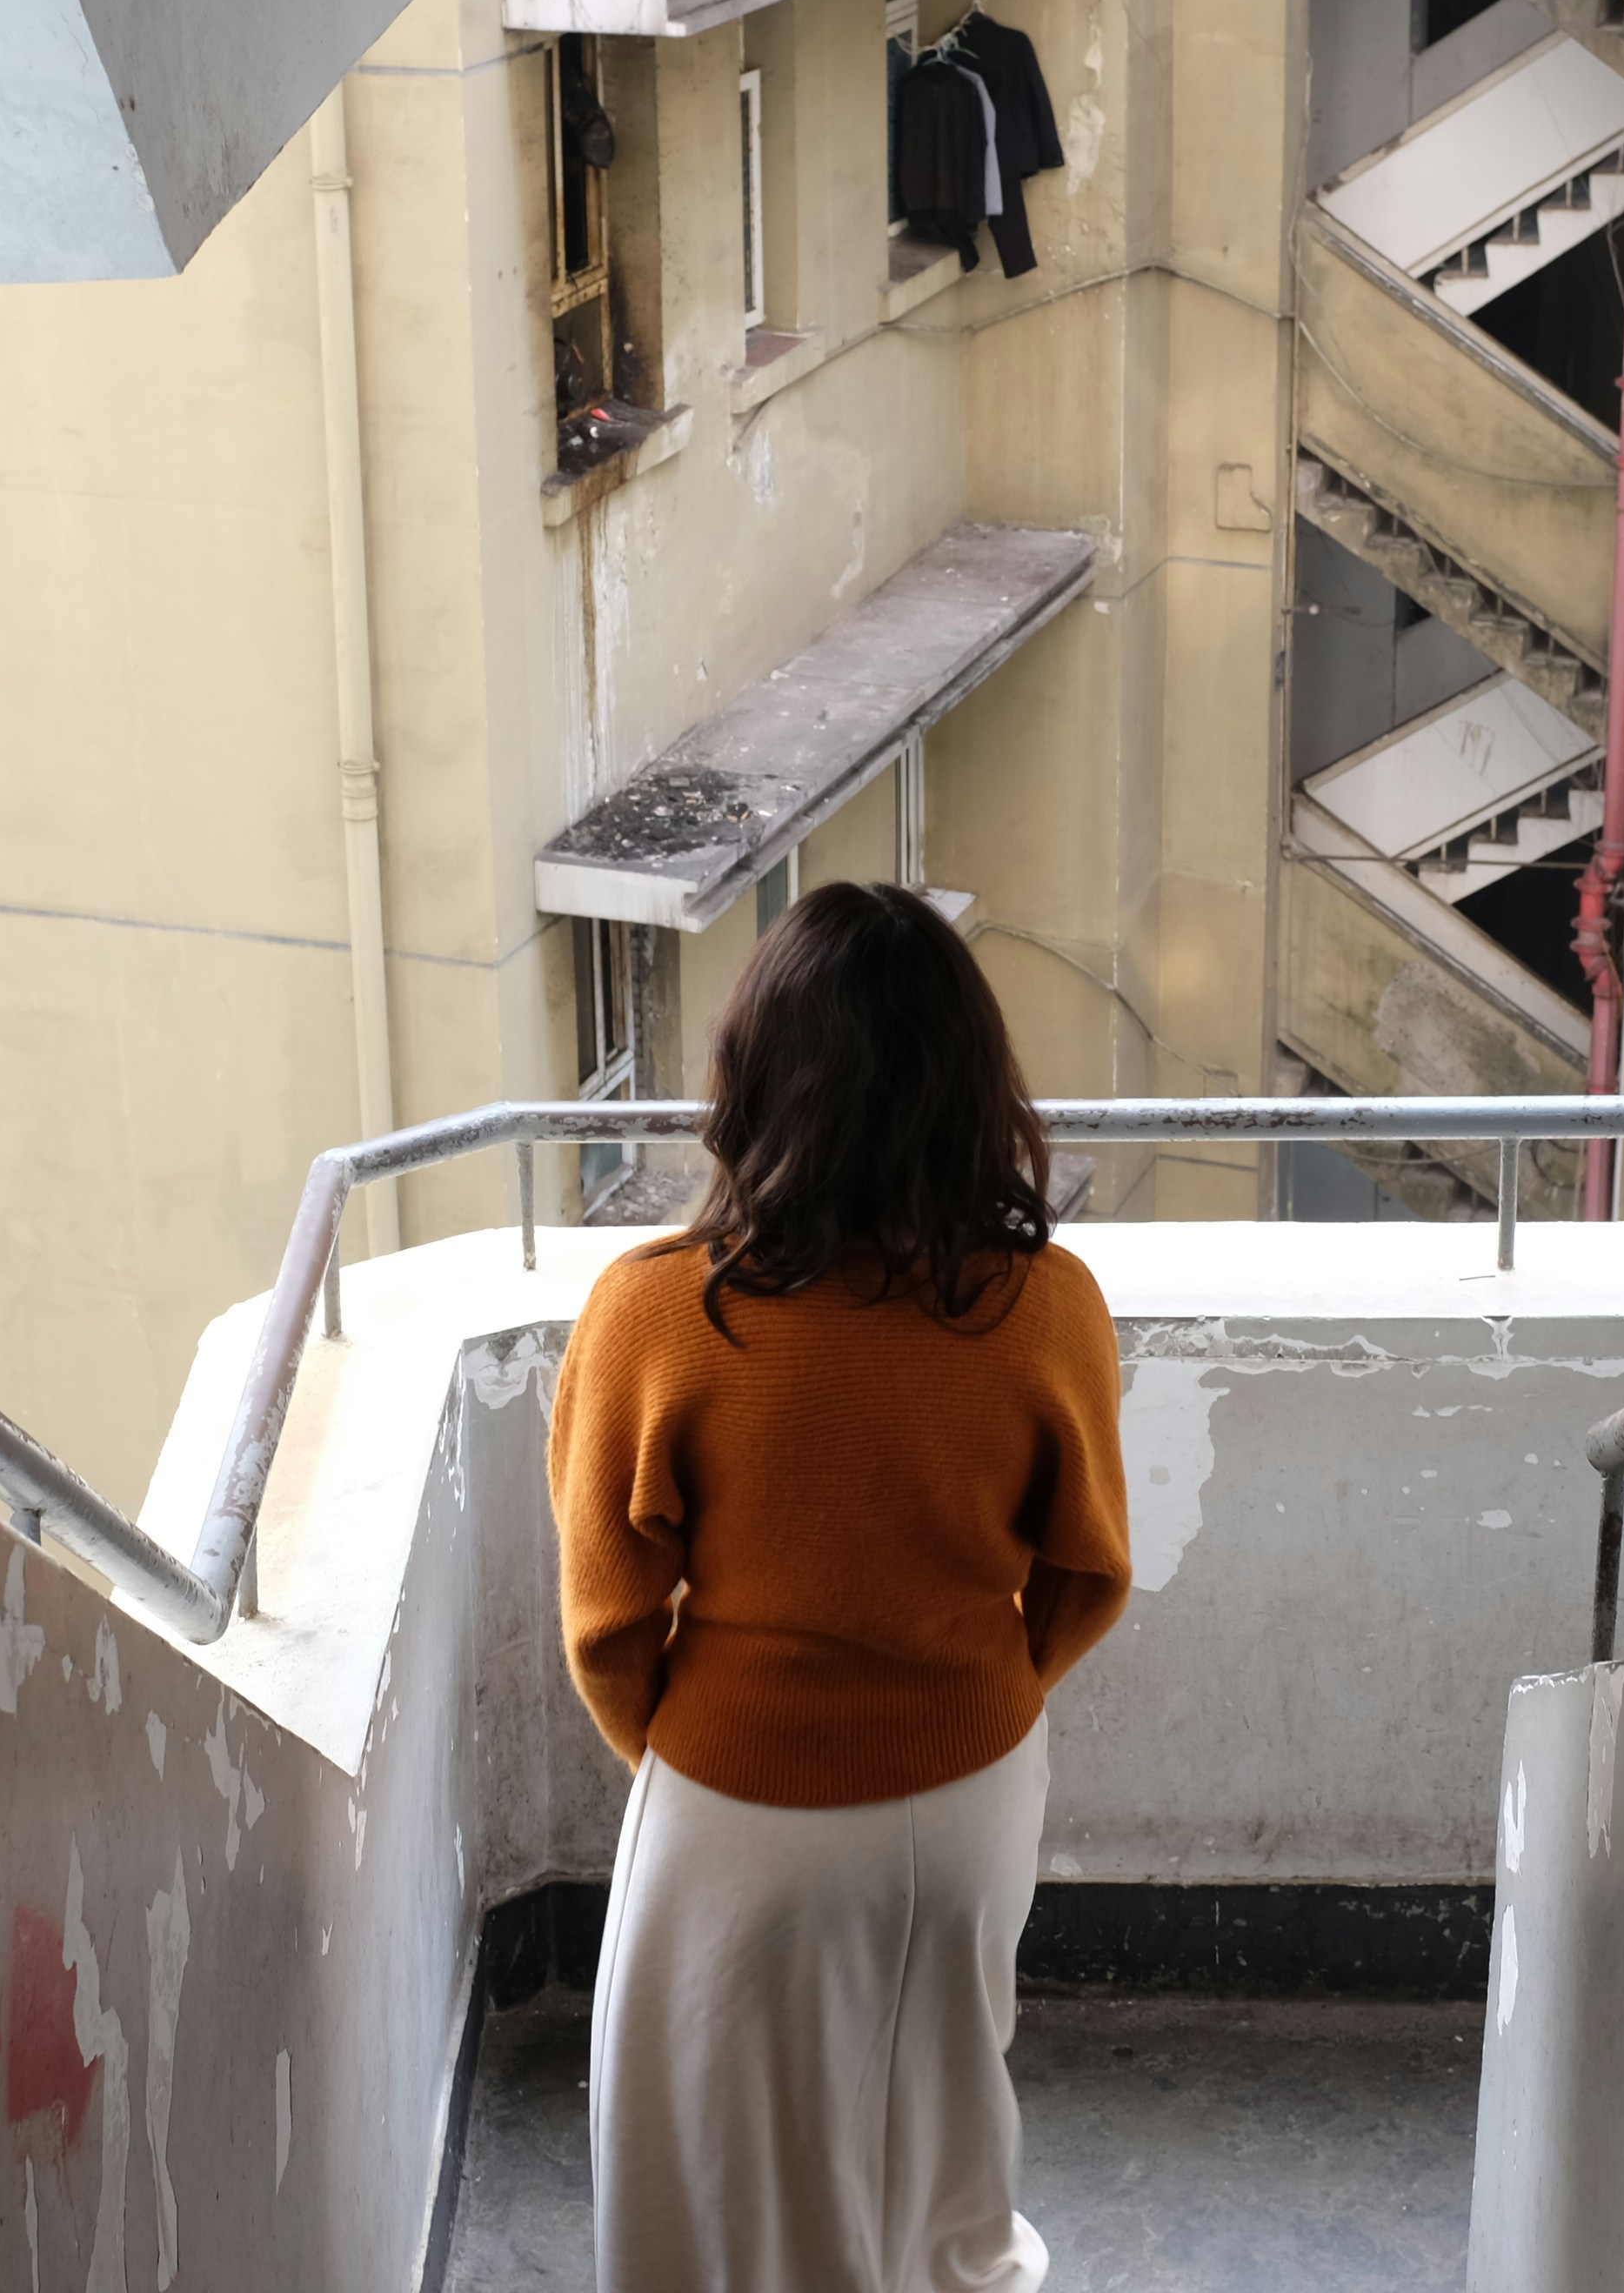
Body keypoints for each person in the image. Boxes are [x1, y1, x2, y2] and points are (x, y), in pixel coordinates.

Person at [549, 883, 1133, 2293]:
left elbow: (609, 1624)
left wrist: (716, 1747)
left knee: (710, 2166)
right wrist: (963, 1691)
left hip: (743, 1815)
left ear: (757, 1079)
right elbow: (1086, 1570)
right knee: (942, 2131)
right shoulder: (1047, 1304)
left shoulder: (658, 1314)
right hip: (979, 1778)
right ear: (968, 1082)